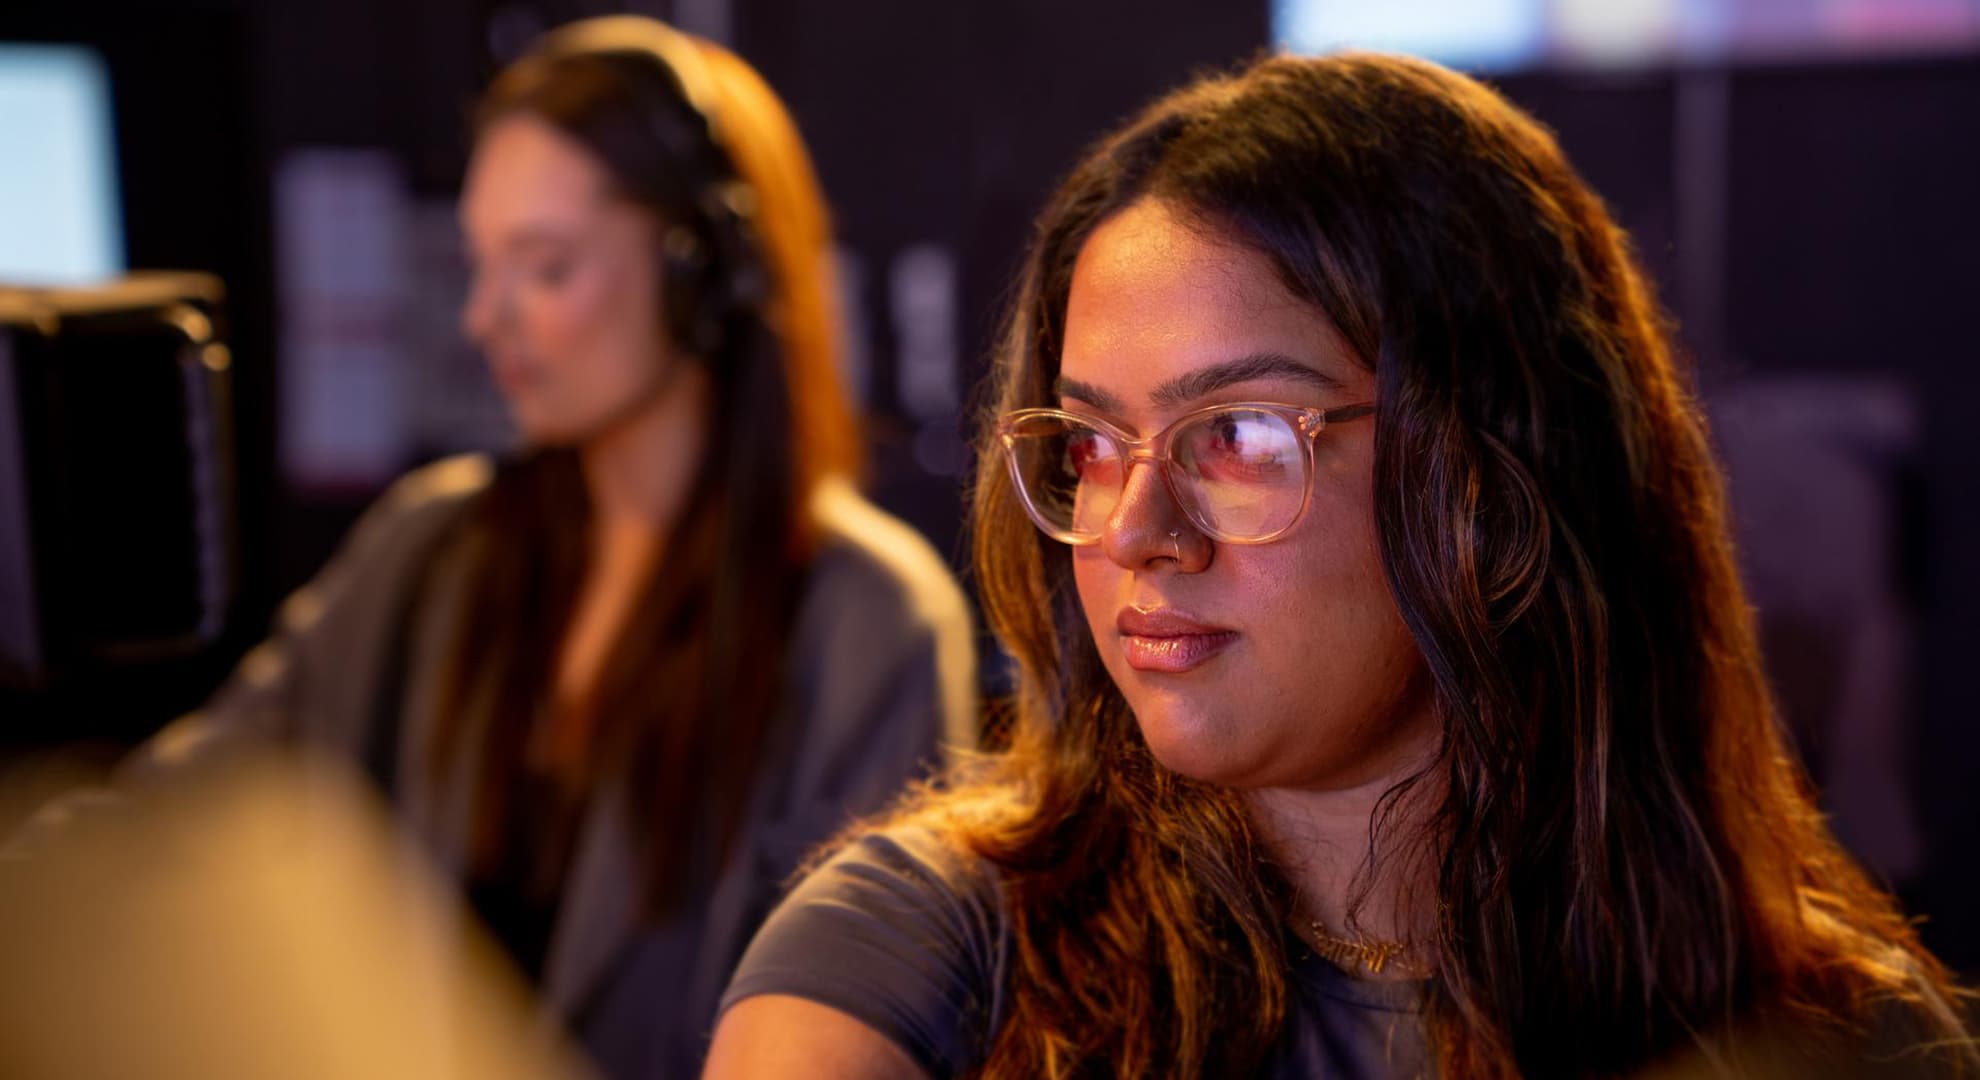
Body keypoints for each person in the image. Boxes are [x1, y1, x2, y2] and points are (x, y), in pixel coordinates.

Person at [704, 52, 1975, 1079]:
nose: (1136, 528)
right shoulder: (927, 954)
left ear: (1494, 468)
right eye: (1091, 442)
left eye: (1239, 436)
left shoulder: (1835, 1038)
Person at [119, 15, 976, 1078]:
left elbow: (883, 1017)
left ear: (701, 275)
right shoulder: (432, 551)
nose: (486, 317)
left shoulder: (868, 618)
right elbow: (181, 811)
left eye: (546, 267)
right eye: (482, 266)